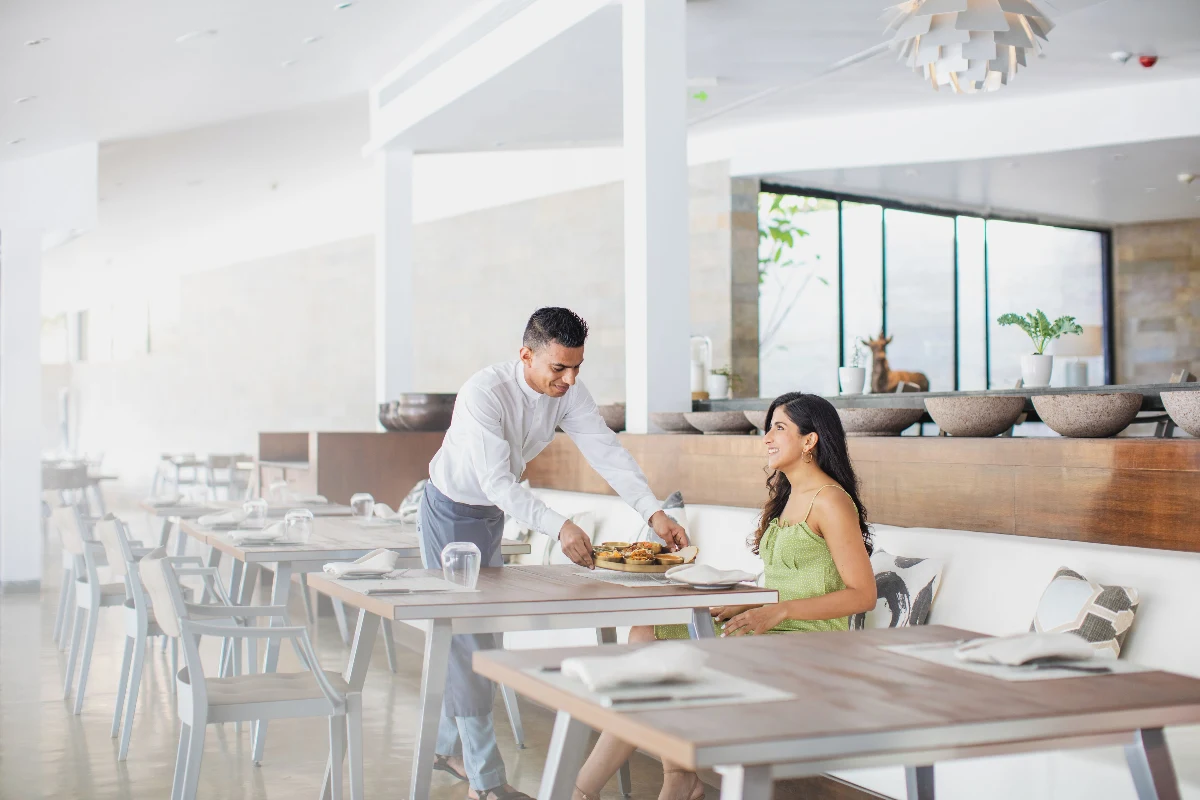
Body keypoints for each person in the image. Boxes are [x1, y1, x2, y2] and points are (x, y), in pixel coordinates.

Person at [420, 306, 690, 800]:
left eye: (577, 367)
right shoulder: (483, 393)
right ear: (526, 355)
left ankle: (442, 747)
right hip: (449, 510)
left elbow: (608, 452)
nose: (569, 379)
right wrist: (560, 525)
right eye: (558, 368)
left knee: (479, 631)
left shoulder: (568, 394)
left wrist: (655, 514)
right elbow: (498, 483)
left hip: (491, 515)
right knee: (469, 639)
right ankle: (486, 780)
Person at [571, 391, 877, 800]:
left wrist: (776, 610)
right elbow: (789, 580)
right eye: (767, 428)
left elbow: (863, 594)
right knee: (645, 633)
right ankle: (672, 777)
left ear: (810, 440)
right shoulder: (787, 499)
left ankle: (586, 790)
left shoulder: (831, 501)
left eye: (779, 427)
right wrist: (751, 601)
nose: (767, 437)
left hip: (810, 642)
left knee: (655, 661)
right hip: (773, 626)